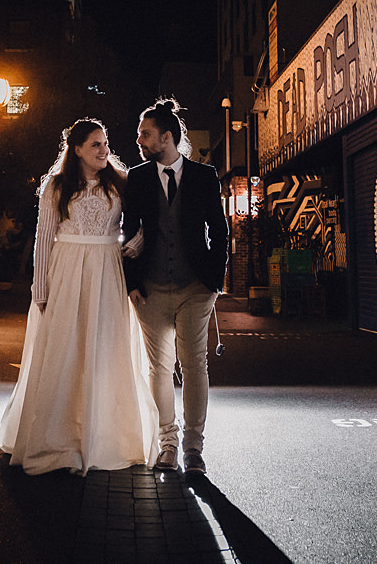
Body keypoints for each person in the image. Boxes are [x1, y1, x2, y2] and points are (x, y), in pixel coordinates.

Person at [0, 118, 158, 475]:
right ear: (76, 150)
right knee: (66, 347)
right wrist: (39, 289)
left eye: (105, 143)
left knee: (104, 347)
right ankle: (59, 433)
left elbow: (145, 222)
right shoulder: (56, 187)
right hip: (67, 271)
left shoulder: (120, 183)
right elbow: (44, 240)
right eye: (96, 145)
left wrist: (133, 244)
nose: (104, 150)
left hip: (107, 272)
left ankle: (105, 432)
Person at [122, 97, 230, 476]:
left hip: (194, 288)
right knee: (159, 368)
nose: (139, 140)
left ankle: (194, 449)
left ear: (166, 137)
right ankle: (167, 443)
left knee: (195, 364)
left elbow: (220, 230)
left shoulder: (203, 176)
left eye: (145, 134)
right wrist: (132, 283)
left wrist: (214, 281)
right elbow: (128, 232)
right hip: (149, 289)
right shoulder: (136, 178)